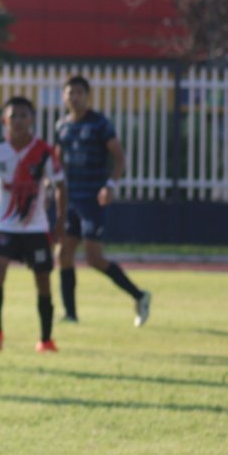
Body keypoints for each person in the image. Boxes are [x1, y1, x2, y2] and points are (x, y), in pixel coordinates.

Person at [0, 96, 67, 353]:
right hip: (3, 224)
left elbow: (60, 186)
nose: (19, 121)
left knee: (43, 280)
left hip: (36, 228)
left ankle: (46, 339)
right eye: (13, 116)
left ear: (32, 120)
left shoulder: (44, 152)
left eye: (24, 115)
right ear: (4, 120)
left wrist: (59, 220)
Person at [55, 75, 152, 327]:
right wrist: (51, 184)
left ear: (87, 96)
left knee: (94, 258)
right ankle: (70, 314)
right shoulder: (62, 126)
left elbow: (119, 157)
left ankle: (139, 295)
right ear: (64, 97)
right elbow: (57, 162)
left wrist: (110, 185)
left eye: (79, 93)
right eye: (70, 93)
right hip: (71, 200)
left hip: (91, 200)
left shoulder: (100, 124)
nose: (74, 97)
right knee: (64, 254)